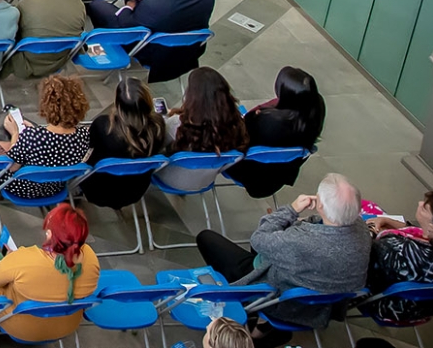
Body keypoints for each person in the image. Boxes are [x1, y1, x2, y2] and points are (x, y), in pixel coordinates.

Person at [196, 174, 372, 342]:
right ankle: (264, 327)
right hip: (321, 307)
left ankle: (259, 319)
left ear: (321, 206)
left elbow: (259, 238)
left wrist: (292, 209)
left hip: (278, 300)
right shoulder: (363, 231)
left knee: (206, 238)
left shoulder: (298, 241)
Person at [0, 204, 101, 342]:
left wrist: (11, 259)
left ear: (50, 234)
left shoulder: (26, 259)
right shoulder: (90, 258)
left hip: (22, 328)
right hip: (67, 326)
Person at [88, 0, 215, 81]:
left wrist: (129, 6)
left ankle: (108, 45)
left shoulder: (155, 5)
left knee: (97, 5)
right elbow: (170, 1)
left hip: (154, 52)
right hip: (188, 49)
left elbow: (126, 23)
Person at [365, 191, 433, 324]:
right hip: (424, 312)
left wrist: (372, 228)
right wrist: (386, 220)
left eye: (425, 208)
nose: (420, 203)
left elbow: (366, 244)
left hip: (387, 308)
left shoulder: (397, 249)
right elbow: (419, 232)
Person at [228, 67, 327, 197]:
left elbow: (241, 132)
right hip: (279, 177)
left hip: (252, 176)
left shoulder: (266, 122)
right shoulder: (315, 111)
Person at [0, 75, 91, 201]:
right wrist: (33, 129)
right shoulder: (84, 136)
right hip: (54, 187)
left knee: (4, 123)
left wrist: (16, 133)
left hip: (22, 187)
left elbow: (11, 167)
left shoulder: (31, 137)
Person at [80, 77, 168, 211]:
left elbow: (87, 148)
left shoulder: (103, 126)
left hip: (98, 190)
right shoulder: (158, 127)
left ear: (118, 105)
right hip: (135, 191)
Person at [155, 67, 249, 192]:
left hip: (169, 178)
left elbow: (157, 144)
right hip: (204, 181)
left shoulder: (177, 124)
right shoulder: (236, 124)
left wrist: (162, 120)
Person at [5, 0, 90, 79]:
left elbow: (12, 31)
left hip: (26, 64)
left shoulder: (29, 2)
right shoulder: (79, 5)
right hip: (57, 63)